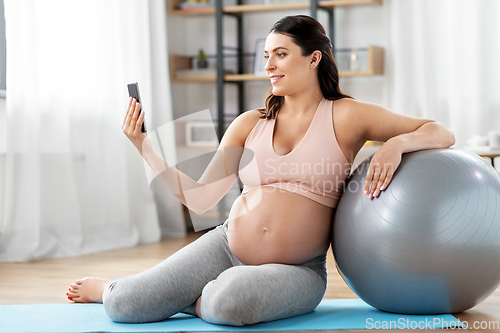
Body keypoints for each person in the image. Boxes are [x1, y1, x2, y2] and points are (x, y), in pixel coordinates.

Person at [67, 15, 455, 325]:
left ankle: (191, 297)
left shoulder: (345, 115)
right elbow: (201, 198)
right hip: (226, 246)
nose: (268, 64)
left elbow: (441, 131)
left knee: (230, 299)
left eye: (280, 54)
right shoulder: (250, 122)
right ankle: (117, 289)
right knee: (123, 305)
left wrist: (396, 145)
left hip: (297, 270)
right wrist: (143, 145)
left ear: (313, 57)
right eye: (266, 55)